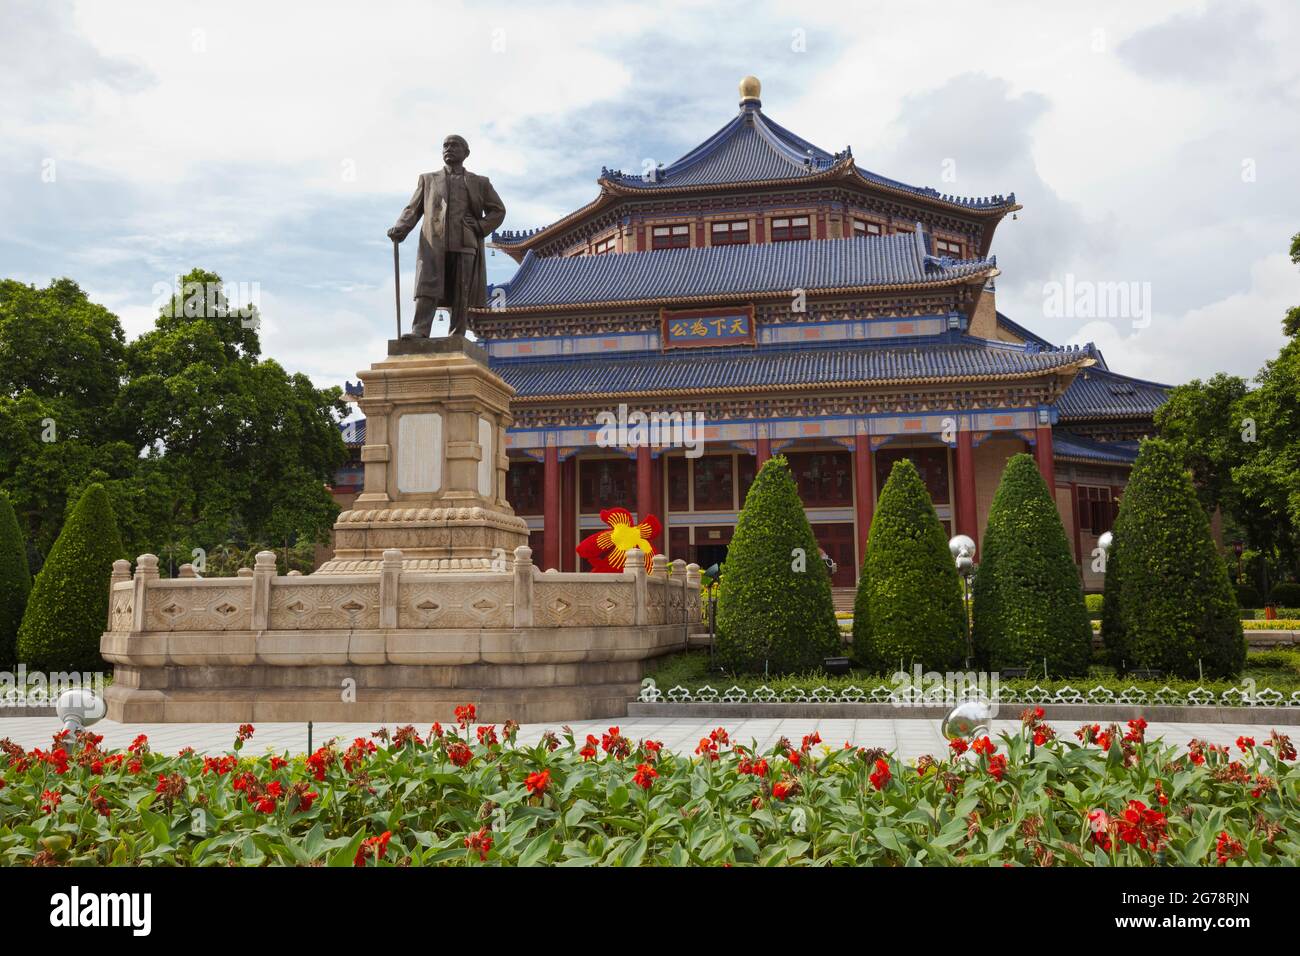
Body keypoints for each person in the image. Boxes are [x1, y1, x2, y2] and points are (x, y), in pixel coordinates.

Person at [387, 134, 505, 337]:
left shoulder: (479, 182)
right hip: (433, 242)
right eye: (445, 146)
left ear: (466, 153)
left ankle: (457, 333)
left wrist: (479, 226)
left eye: (454, 145)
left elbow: (498, 210)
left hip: (465, 242)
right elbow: (413, 209)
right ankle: (420, 331)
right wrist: (401, 228)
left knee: (462, 289)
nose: (448, 149)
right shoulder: (428, 179)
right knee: (427, 287)